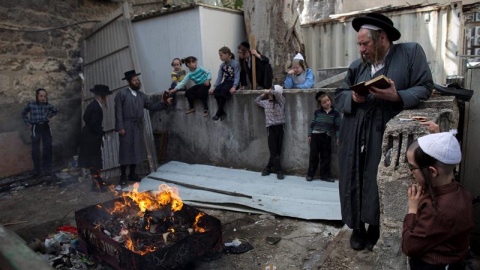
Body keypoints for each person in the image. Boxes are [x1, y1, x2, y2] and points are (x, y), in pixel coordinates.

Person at [335, 13, 433, 251]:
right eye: (359, 44)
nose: (361, 49)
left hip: (383, 131)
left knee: (376, 178)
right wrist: (354, 96)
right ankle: (357, 227)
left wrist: (397, 96)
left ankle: (375, 228)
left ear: (382, 38)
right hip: (356, 132)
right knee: (353, 177)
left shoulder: (410, 54)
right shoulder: (358, 66)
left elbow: (425, 86)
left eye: (365, 43)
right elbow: (339, 95)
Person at [403, 131, 473, 269]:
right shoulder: (462, 193)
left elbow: (409, 246)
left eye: (412, 167)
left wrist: (412, 210)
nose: (411, 172)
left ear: (432, 172)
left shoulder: (436, 211)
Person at [115, 70, 172, 186]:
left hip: (137, 126)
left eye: (137, 80)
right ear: (129, 82)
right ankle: (122, 176)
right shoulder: (122, 94)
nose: (137, 82)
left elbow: (151, 106)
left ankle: (132, 174)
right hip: (126, 126)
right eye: (134, 80)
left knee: (136, 149)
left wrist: (165, 103)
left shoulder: (142, 96)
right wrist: (120, 127)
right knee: (125, 150)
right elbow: (118, 112)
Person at [78, 84, 112, 192]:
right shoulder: (95, 107)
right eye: (106, 95)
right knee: (93, 162)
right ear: (102, 96)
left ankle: (98, 182)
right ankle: (97, 185)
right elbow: (92, 123)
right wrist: (99, 132)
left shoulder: (94, 105)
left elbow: (86, 119)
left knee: (95, 161)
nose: (108, 97)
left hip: (90, 137)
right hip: (90, 138)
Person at [21, 88, 58, 176]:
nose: (43, 98)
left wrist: (49, 116)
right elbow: (23, 113)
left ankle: (47, 168)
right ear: (37, 96)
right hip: (35, 127)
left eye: (44, 96)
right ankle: (37, 170)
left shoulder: (47, 105)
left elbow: (55, 110)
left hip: (45, 126)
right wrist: (28, 123)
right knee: (35, 149)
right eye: (41, 96)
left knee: (48, 147)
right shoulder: (31, 105)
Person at [306, 91, 341, 182]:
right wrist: (310, 134)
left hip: (326, 137)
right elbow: (312, 124)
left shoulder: (335, 113)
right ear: (320, 104)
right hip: (315, 136)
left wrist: (338, 137)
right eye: (324, 102)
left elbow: (338, 126)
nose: (327, 103)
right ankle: (310, 174)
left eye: (328, 100)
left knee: (326, 157)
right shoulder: (317, 112)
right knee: (313, 156)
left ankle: (325, 176)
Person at [254, 85, 286, 180]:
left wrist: (270, 91)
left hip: (280, 128)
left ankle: (268, 167)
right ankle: (279, 170)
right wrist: (264, 94)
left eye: (271, 92)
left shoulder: (281, 102)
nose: (269, 94)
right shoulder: (266, 103)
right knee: (273, 151)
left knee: (278, 151)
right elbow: (256, 101)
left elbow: (277, 93)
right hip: (270, 128)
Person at [209, 46, 240, 121]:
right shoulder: (222, 65)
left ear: (227, 54)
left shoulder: (235, 64)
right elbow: (219, 77)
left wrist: (234, 86)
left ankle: (218, 113)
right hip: (226, 81)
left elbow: (237, 76)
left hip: (232, 82)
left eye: (221, 55)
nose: (220, 57)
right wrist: (214, 87)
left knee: (223, 91)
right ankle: (222, 112)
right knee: (217, 91)